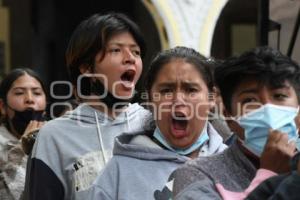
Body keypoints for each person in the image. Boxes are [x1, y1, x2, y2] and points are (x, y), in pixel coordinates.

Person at [26, 12, 151, 200]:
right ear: (86, 67)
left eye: (136, 52)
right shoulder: (54, 137)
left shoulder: (152, 125)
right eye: (116, 50)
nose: (130, 58)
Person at [76, 46, 227, 200]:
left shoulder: (234, 166)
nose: (178, 101)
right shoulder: (117, 174)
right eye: (166, 90)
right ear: (149, 99)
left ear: (211, 97)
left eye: (191, 90)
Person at [172, 46, 300, 199]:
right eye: (250, 100)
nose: (268, 110)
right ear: (229, 117)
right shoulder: (200, 175)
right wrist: (268, 175)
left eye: (279, 96)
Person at [0, 68, 47, 200]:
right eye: (19, 93)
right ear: (3, 106)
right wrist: (21, 149)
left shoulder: (57, 138)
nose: (30, 99)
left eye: (37, 93)